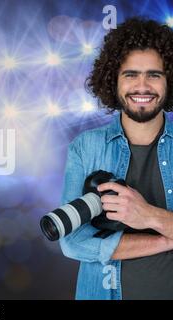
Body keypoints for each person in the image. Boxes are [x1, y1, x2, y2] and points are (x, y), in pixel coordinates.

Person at [60, 17, 173, 300]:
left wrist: (148, 215)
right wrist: (164, 239)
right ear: (113, 80)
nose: (142, 86)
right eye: (130, 74)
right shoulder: (86, 147)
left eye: (154, 74)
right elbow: (72, 243)